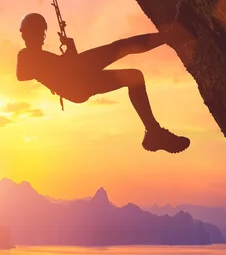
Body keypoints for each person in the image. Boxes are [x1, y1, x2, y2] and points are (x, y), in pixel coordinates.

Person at [16, 8, 192, 154]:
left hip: (78, 82)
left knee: (134, 77)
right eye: (36, 32)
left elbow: (61, 68)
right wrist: (64, 59)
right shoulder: (25, 56)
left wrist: (70, 51)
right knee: (120, 48)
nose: (39, 35)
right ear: (27, 35)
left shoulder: (41, 56)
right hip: (77, 81)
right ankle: (174, 33)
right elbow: (22, 74)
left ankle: (153, 131)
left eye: (40, 32)